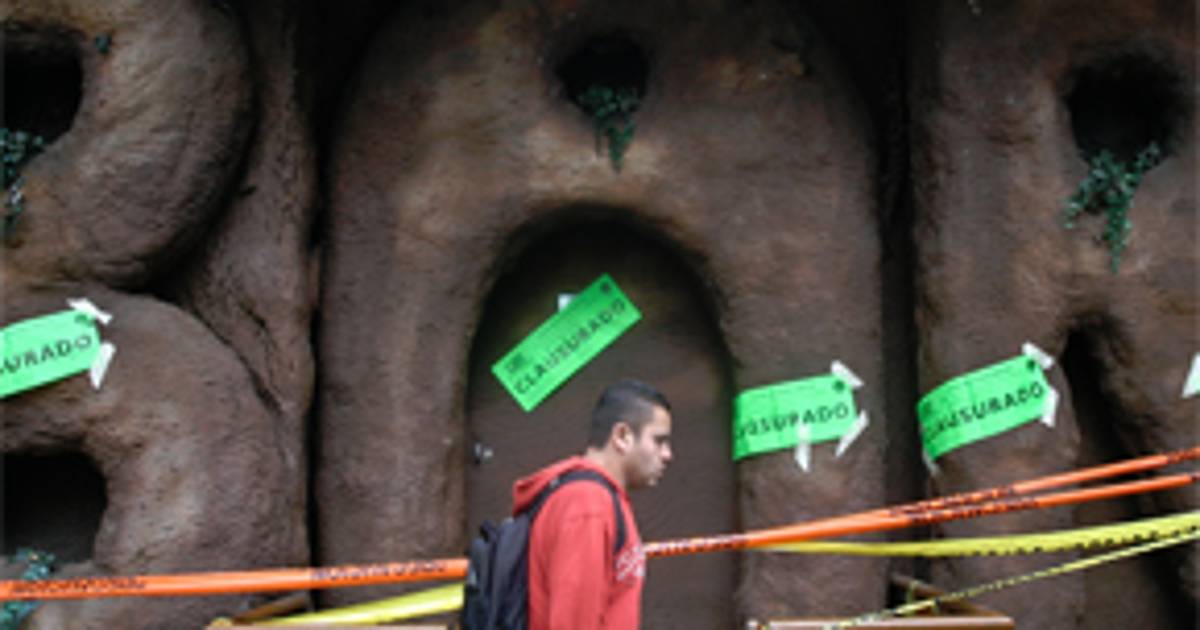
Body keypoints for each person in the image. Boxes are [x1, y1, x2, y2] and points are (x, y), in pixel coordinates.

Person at [511, 378, 673, 630]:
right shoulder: (587, 504)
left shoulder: (599, 498)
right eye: (658, 441)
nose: (667, 454)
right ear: (622, 436)